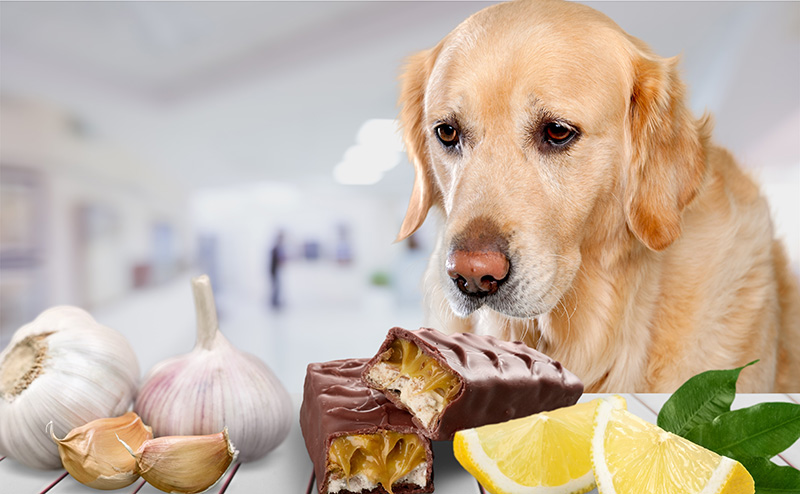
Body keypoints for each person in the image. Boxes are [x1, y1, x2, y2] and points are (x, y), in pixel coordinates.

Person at [268, 230, 286, 309]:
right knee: (276, 286)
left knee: (276, 286)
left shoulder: (277, 248)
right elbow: (278, 260)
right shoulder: (276, 248)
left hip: (274, 270)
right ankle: (274, 302)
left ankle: (275, 301)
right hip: (273, 270)